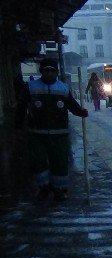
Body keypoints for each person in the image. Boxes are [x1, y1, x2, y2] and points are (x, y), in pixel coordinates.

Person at [15, 58, 88, 201]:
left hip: (59, 133)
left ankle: (60, 189)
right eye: (46, 70)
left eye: (52, 70)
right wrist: (18, 126)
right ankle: (44, 188)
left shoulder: (63, 88)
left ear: (56, 72)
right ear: (41, 71)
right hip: (37, 133)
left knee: (59, 162)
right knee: (38, 162)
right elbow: (21, 108)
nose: (49, 73)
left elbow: (71, 105)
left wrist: (80, 111)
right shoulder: (31, 87)